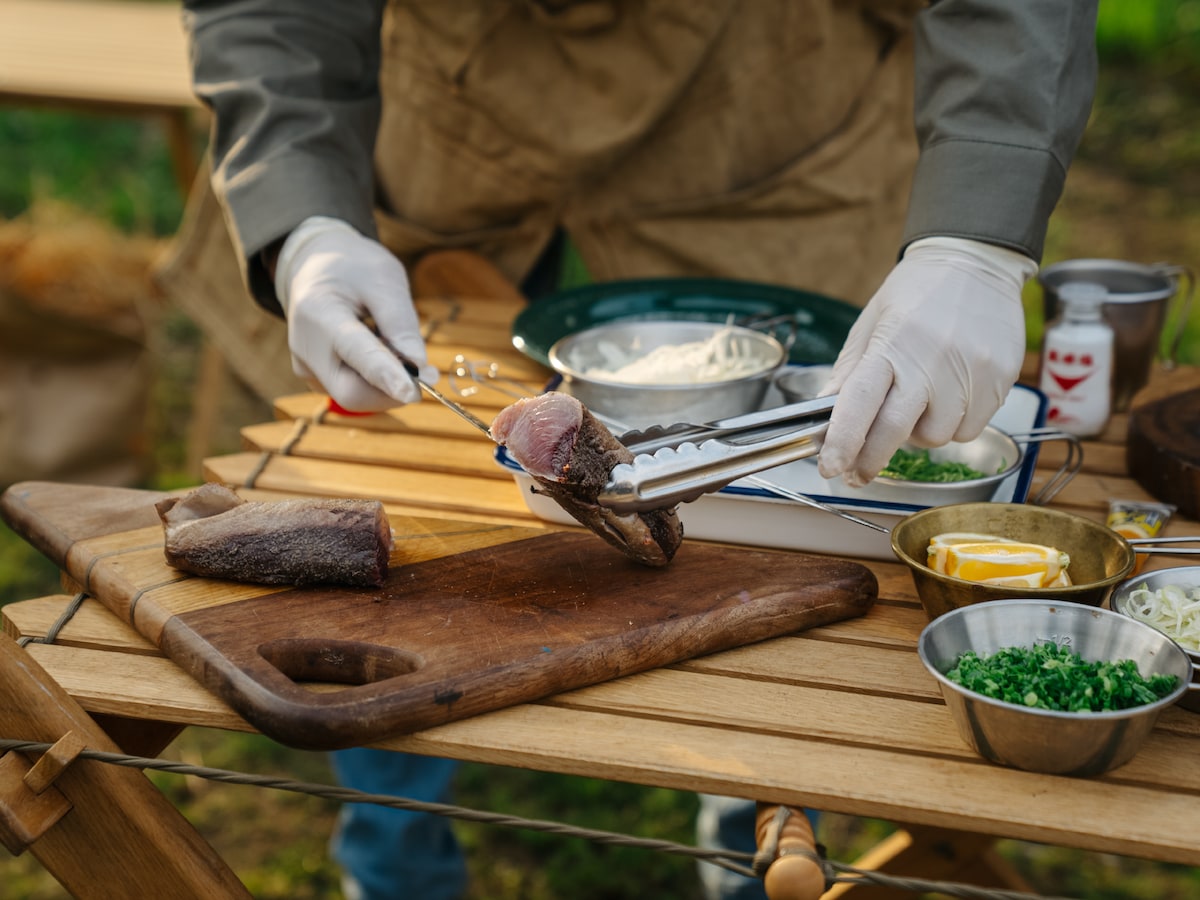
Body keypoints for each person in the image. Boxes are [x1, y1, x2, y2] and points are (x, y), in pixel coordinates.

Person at [177, 2, 1099, 898]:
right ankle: (394, 867)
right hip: (460, 97)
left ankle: (748, 852)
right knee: (416, 565)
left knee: (768, 560)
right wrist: (304, 217)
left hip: (774, 107)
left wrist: (974, 234)